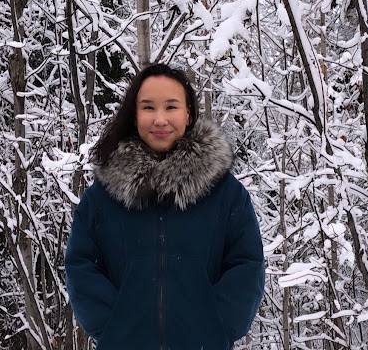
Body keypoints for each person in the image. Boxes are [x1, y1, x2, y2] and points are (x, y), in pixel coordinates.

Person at [65, 63, 265, 350]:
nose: (160, 119)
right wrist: (113, 325)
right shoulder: (103, 197)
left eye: (171, 107)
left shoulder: (225, 194)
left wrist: (217, 323)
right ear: (134, 116)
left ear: (189, 114)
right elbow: (81, 265)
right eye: (148, 108)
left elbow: (247, 264)